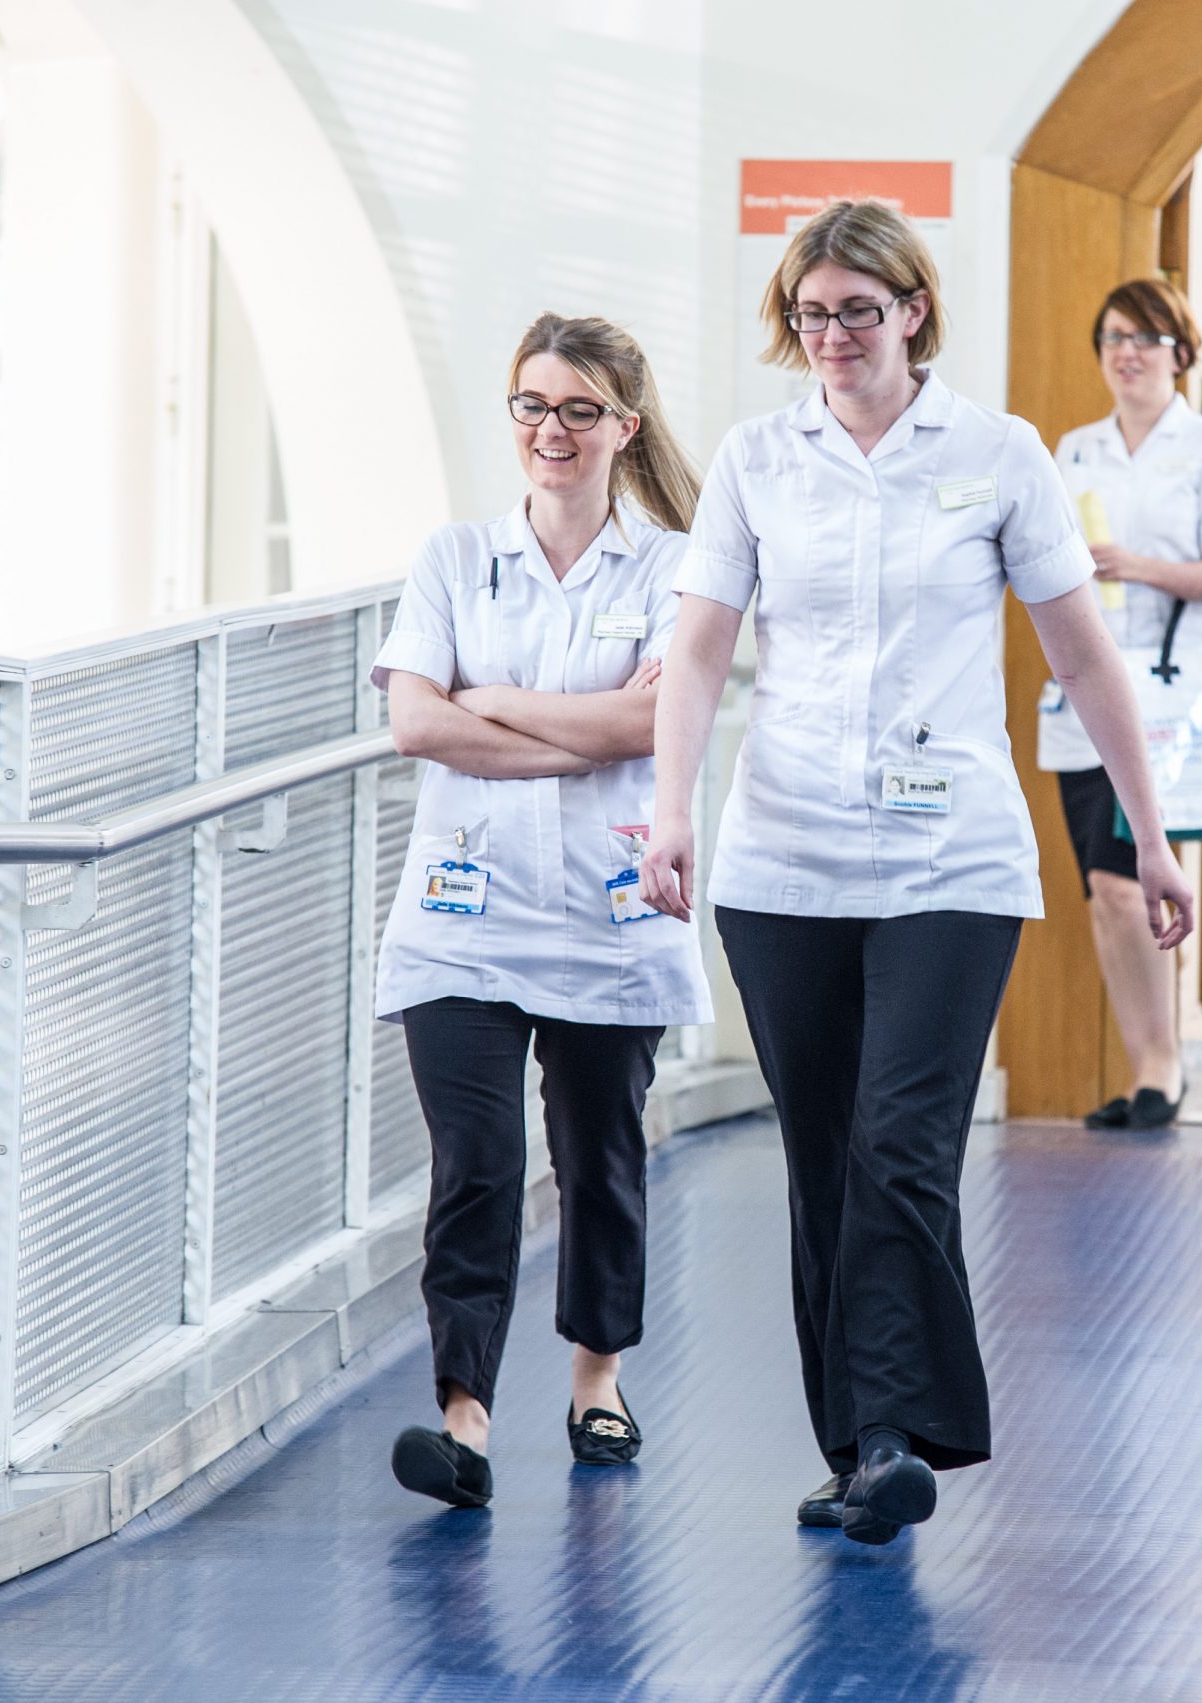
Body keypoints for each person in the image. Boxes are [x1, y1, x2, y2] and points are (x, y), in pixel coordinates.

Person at [637, 199, 1196, 1546]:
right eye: (810, 314)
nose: (832, 337)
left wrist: (1151, 828)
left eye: (857, 311)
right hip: (785, 861)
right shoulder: (758, 459)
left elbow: (1081, 656)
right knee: (827, 1158)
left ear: (912, 314)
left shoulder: (999, 455)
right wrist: (672, 812)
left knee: (903, 1143)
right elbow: (702, 651)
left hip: (956, 861)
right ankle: (856, 1444)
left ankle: (893, 1432)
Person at [371, 313, 711, 1509]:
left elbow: (649, 728)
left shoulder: (677, 564)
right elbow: (415, 724)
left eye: (576, 410)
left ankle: (596, 1379)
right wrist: (580, 731)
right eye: (529, 405)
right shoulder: (456, 557)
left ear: (624, 423)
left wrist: (499, 702)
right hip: (460, 918)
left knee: (600, 1155)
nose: (549, 432)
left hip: (610, 915)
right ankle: (462, 1414)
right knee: (477, 1160)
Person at [1040, 278, 1202, 1132]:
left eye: (1146, 337)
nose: (1126, 351)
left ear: (1180, 352)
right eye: (1113, 336)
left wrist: (1133, 566)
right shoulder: (1074, 448)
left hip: (1172, 695)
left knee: (1131, 883)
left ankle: (1163, 1066)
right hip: (1083, 687)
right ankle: (1147, 1067)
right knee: (1103, 890)